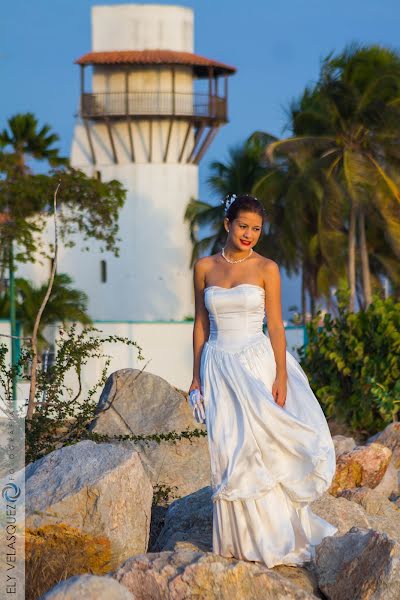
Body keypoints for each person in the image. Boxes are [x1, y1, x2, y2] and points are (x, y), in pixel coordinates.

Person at [189, 193, 337, 568]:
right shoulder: (204, 266)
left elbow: (275, 324)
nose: (249, 234)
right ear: (227, 224)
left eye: (256, 228)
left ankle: (274, 537)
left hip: (258, 363)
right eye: (243, 226)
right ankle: (237, 542)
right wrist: (195, 378)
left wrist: (282, 375)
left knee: (263, 447)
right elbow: (201, 324)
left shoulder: (266, 268)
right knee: (229, 449)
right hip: (218, 365)